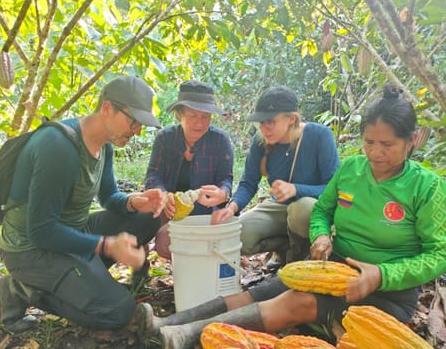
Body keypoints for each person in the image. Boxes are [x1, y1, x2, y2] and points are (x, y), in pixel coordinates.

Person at [135, 84, 446, 348]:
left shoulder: (427, 187)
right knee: (260, 291)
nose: (376, 153)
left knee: (297, 301)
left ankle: (183, 336)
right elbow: (323, 209)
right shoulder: (353, 170)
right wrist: (322, 235)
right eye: (369, 143)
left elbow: (439, 254)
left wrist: (381, 275)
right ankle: (167, 322)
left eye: (387, 145)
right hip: (335, 272)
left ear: (413, 140)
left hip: (385, 295)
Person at [0, 76, 167, 333]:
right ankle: (21, 288)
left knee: (150, 216)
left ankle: (84, 276)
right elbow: (41, 230)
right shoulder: (58, 148)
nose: (137, 131)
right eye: (134, 122)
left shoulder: (104, 145)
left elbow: (109, 196)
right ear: (107, 108)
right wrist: (107, 246)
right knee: (119, 313)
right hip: (31, 249)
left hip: (71, 231)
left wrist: (134, 202)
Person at [212, 85, 339, 267]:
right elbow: (248, 183)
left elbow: (333, 188)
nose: (265, 128)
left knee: (301, 209)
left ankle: (303, 254)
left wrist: (295, 189)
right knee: (238, 236)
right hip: (279, 207)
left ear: (292, 119)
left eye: (270, 122)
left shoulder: (319, 135)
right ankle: (284, 247)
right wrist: (231, 208)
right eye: (261, 122)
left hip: (313, 208)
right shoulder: (260, 141)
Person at [145, 80, 234, 259]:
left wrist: (223, 193)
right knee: (164, 243)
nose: (199, 124)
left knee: (216, 245)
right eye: (193, 116)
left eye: (205, 117)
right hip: (171, 212)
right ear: (179, 115)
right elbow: (153, 175)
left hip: (207, 214)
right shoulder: (165, 138)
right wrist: (163, 194)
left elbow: (226, 178)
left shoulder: (220, 140)